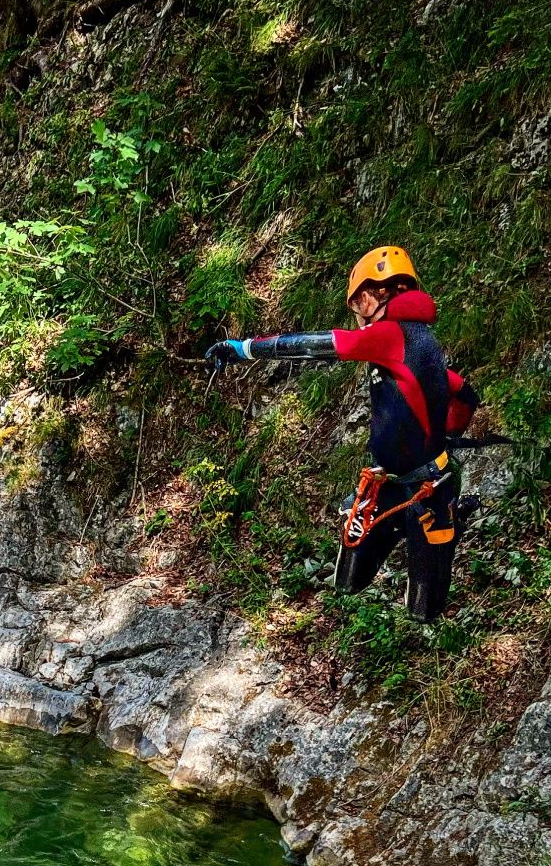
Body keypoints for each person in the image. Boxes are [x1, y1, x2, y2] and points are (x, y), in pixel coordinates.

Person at [206, 246, 485, 621]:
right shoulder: (420, 341)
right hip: (398, 482)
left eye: (357, 303)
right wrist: (447, 430)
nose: (357, 314)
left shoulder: (389, 335)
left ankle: (445, 529)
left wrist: (244, 349)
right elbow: (464, 392)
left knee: (423, 609)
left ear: (375, 295)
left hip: (423, 489)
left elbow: (318, 345)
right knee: (350, 581)